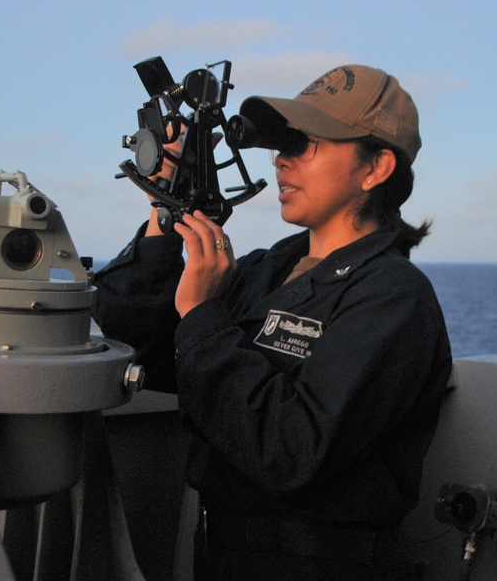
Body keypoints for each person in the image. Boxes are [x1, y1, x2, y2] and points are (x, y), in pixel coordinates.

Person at [93, 64, 453, 580]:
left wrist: (203, 316)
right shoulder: (266, 270)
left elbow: (291, 450)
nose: (281, 160)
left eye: (304, 144)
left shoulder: (393, 298)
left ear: (375, 168)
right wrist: (162, 217)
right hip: (223, 559)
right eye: (281, 144)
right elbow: (135, 346)